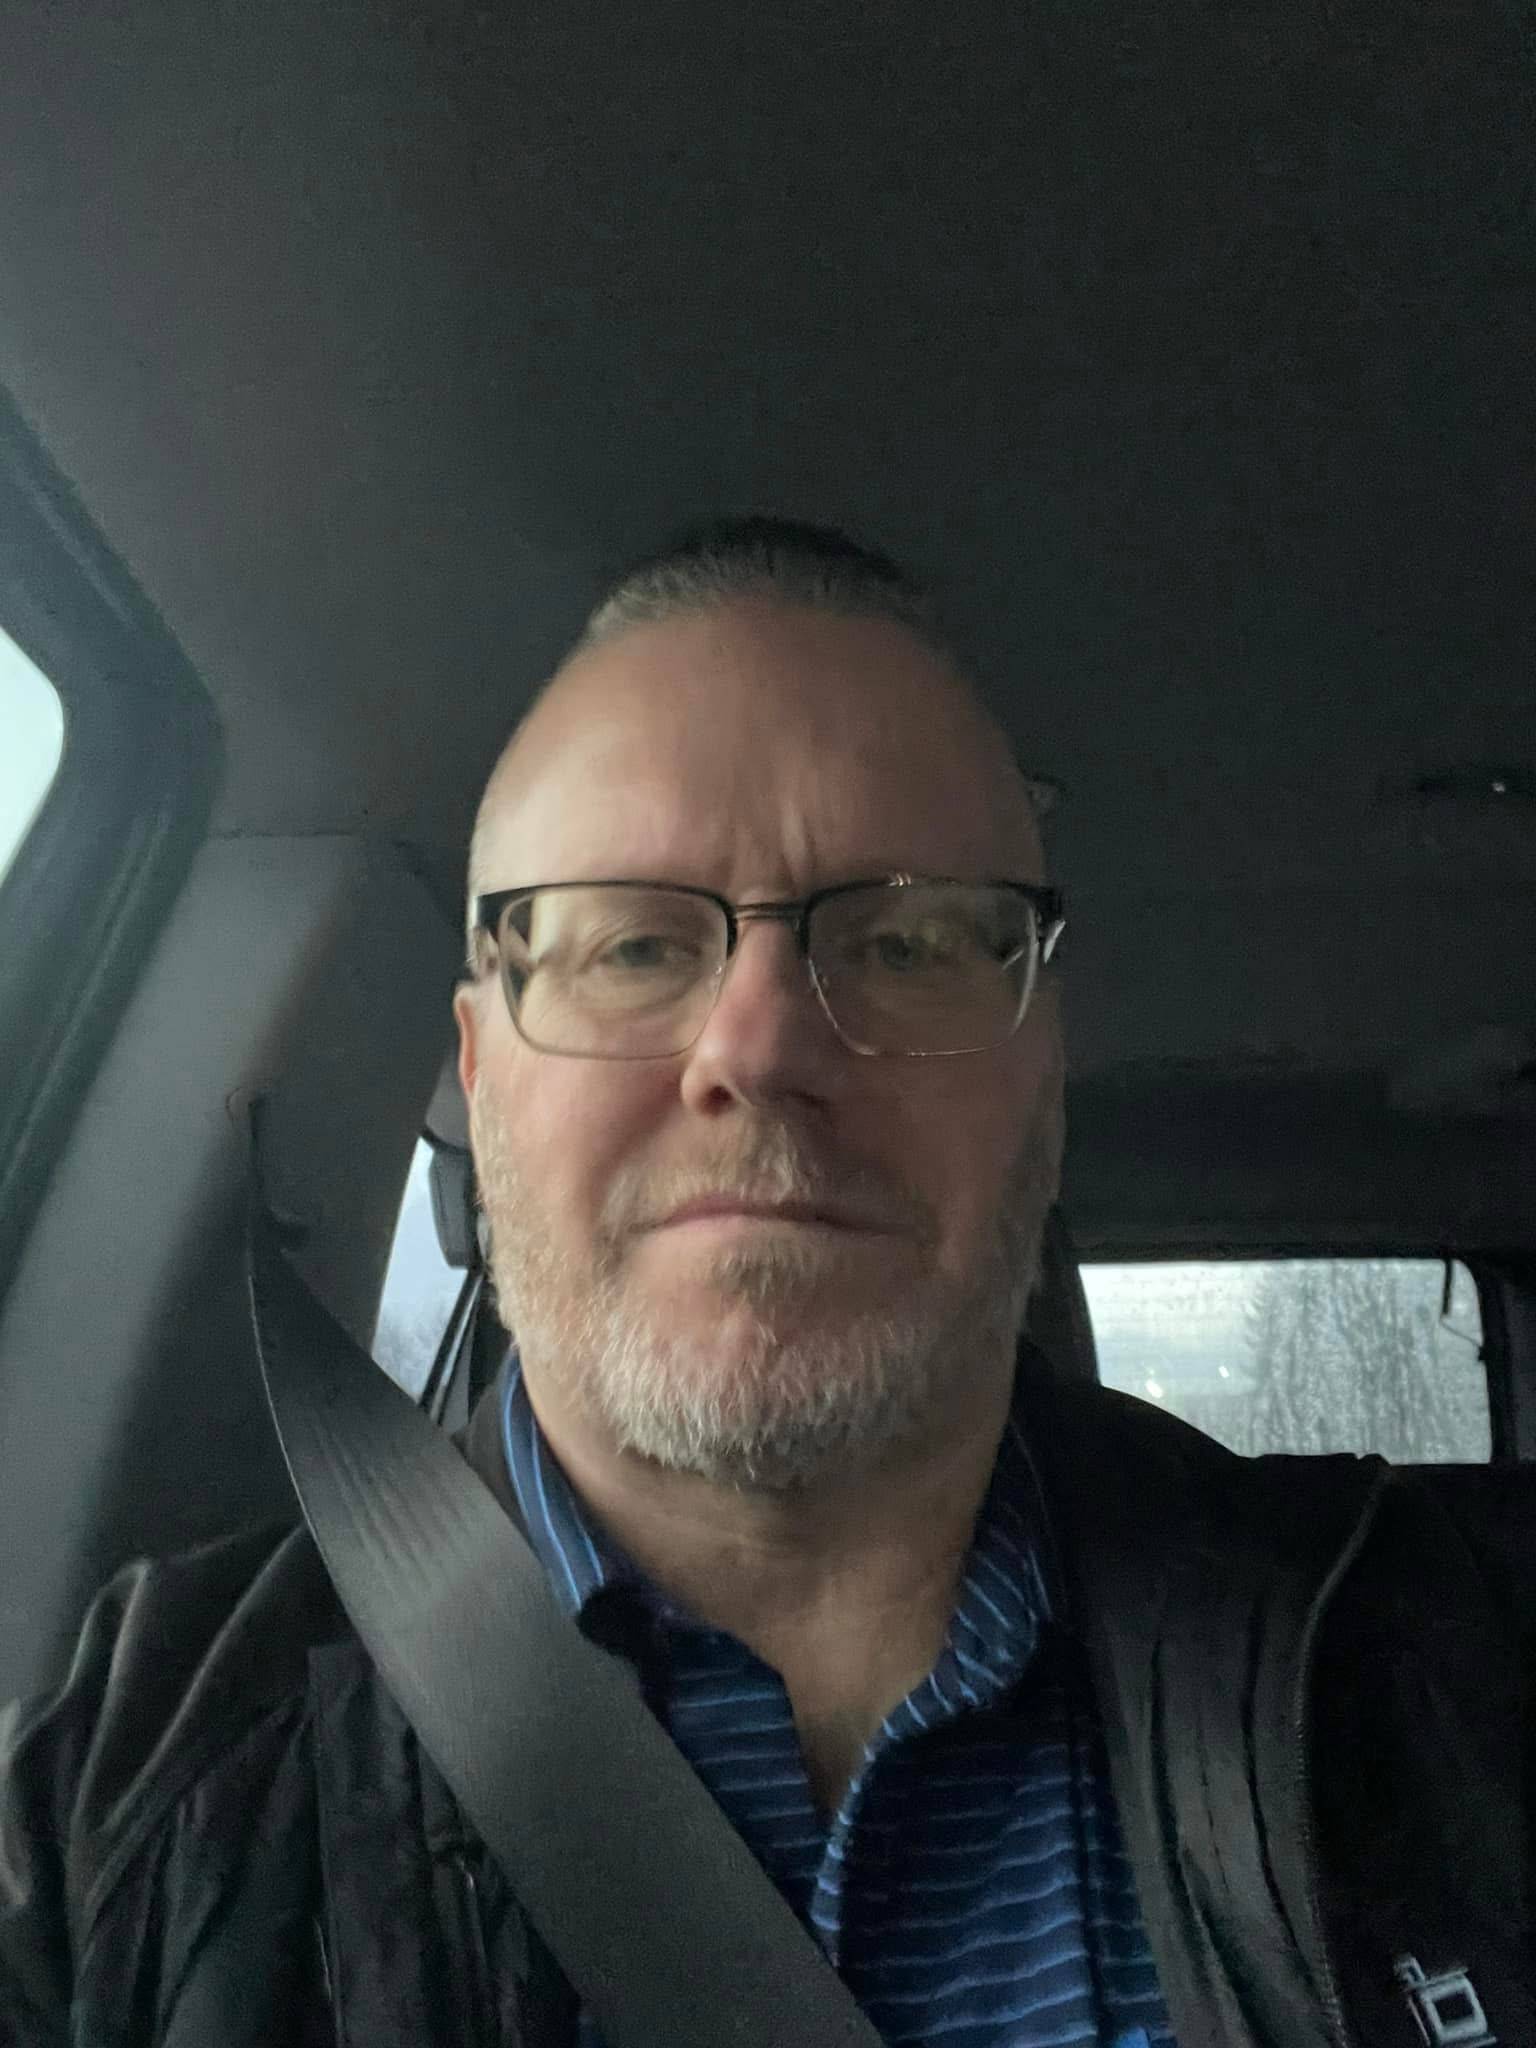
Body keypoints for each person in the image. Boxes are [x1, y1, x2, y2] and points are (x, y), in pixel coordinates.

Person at [1, 517, 1532, 2048]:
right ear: (479, 1073)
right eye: (631, 947)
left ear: (1045, 1079)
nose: (760, 1045)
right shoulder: (121, 1809)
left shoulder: (1462, 1666)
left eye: (909, 943)